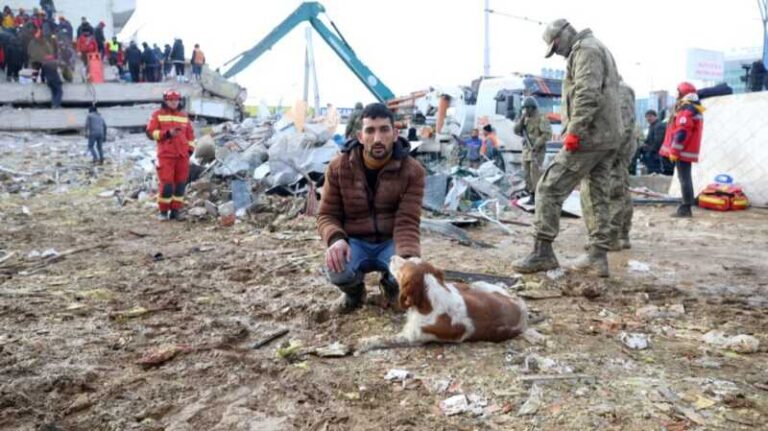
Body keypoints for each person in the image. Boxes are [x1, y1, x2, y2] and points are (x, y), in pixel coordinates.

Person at [513, 18, 622, 278]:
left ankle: (543, 252)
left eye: (555, 48)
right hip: (605, 138)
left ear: (561, 36)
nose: (558, 54)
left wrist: (574, 133)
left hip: (589, 137)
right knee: (595, 194)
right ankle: (597, 256)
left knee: (548, 187)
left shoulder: (585, 50)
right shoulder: (598, 47)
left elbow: (586, 93)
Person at [317, 103, 425, 314]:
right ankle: (355, 294)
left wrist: (408, 258)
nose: (377, 138)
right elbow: (327, 214)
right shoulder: (338, 168)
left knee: (411, 271)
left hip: (391, 241)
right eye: (370, 130)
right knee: (337, 270)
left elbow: (408, 221)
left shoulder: (413, 171)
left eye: (384, 129)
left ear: (395, 134)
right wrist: (336, 239)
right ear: (360, 136)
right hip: (354, 242)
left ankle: (391, 288)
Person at [581, 82, 636, 252]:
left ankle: (612, 236)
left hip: (614, 149)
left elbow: (624, 125)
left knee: (614, 190)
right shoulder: (612, 88)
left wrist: (613, 153)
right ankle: (620, 235)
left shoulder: (619, 90)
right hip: (612, 147)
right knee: (619, 189)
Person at [146, 90, 196, 221]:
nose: (174, 102)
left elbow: (190, 136)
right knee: (167, 185)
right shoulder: (157, 115)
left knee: (180, 185)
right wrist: (167, 134)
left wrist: (190, 150)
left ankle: (176, 211)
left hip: (182, 156)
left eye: (176, 100)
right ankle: (163, 211)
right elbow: (150, 133)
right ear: (165, 101)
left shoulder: (184, 116)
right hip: (166, 156)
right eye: (171, 100)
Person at [660, 82, 704, 218]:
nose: (676, 94)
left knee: (684, 178)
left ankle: (686, 207)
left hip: (682, 151)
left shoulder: (687, 109)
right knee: (685, 177)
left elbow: (682, 132)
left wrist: (674, 151)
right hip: (686, 150)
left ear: (683, 93)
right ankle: (686, 205)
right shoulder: (694, 107)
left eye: (678, 91)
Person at [513, 96, 552, 204]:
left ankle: (536, 195)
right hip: (526, 150)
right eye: (524, 108)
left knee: (534, 173)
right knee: (526, 173)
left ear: (532, 108)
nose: (526, 110)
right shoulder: (525, 118)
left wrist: (537, 144)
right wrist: (521, 120)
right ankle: (530, 193)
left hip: (537, 150)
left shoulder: (541, 118)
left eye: (527, 108)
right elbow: (516, 130)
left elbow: (547, 134)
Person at [640, 110, 666, 174]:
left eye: (650, 116)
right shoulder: (652, 125)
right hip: (653, 153)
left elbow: (658, 142)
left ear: (655, 116)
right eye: (647, 117)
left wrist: (649, 150)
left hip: (656, 155)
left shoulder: (659, 125)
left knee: (655, 172)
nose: (648, 118)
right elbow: (649, 139)